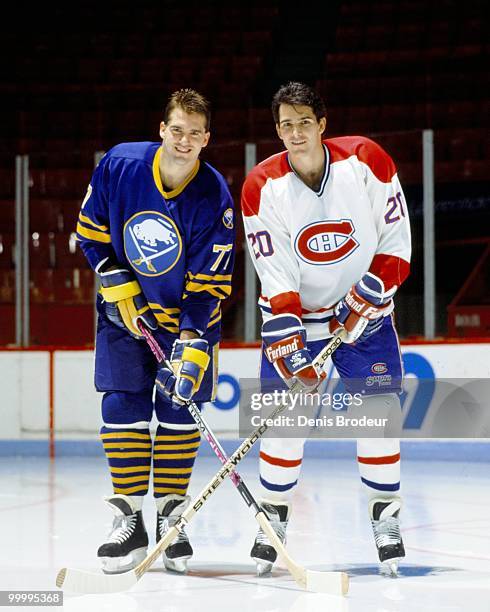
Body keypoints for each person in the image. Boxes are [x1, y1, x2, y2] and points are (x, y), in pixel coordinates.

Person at [241, 81, 411, 576]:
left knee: (377, 418)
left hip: (367, 318)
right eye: (286, 124)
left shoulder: (366, 160)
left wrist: (374, 289)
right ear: (277, 130)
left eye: (304, 122)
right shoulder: (261, 187)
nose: (295, 133)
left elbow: (396, 240)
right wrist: (290, 336)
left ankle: (386, 518)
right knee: (283, 428)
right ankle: (272, 522)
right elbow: (274, 271)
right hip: (301, 318)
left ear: (322, 123)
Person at [76, 88, 235, 574]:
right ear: (162, 130)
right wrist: (110, 274)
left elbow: (210, 285)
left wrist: (191, 340)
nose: (184, 140)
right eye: (177, 130)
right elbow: (91, 231)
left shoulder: (214, 196)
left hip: (185, 322)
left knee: (178, 409)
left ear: (206, 139)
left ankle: (171, 515)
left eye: (195, 133)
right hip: (125, 316)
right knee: (122, 403)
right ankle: (129, 519)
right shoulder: (120, 165)